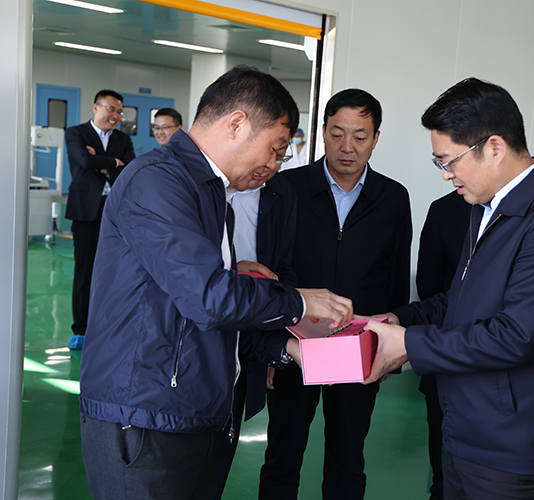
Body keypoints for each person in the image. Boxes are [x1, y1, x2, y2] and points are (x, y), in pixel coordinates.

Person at [78, 65, 353, 500]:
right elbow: (207, 298)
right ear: (237, 123)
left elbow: (193, 301)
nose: (274, 165)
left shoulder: (213, 195)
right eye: (276, 149)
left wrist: (283, 344)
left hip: (198, 411)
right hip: (146, 415)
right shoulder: (158, 180)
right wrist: (300, 302)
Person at [363, 78, 534, 500]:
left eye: (448, 161)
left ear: (494, 148)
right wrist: (402, 318)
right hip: (467, 429)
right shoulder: (488, 207)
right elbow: (466, 301)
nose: (446, 175)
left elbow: (517, 336)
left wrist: (408, 344)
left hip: (515, 449)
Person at [259, 89, 412, 500]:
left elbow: (396, 276)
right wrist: (271, 348)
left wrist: (391, 351)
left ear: (376, 138)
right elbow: (271, 271)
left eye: (360, 136)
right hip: (296, 344)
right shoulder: (286, 187)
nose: (348, 147)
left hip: (359, 348)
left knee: (348, 458)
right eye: (337, 133)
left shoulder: (393, 198)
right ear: (323, 132)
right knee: (282, 457)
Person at [213, 134, 301, 497]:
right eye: (269, 152)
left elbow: (283, 269)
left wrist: (273, 345)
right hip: (196, 347)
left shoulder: (280, 193)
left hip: (248, 338)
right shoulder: (197, 188)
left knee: (222, 447)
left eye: (281, 156)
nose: (271, 165)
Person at [65, 89, 135, 350]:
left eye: (119, 111)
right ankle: (81, 329)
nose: (115, 115)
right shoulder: (76, 133)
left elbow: (130, 169)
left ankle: (107, 326)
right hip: (86, 211)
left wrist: (102, 162)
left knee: (113, 269)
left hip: (115, 210)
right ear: (96, 108)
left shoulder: (123, 139)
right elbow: (83, 160)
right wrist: (114, 162)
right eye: (110, 109)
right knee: (84, 271)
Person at [415, 189, 472, 500]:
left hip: (462, 349)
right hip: (446, 351)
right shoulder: (443, 209)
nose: (448, 173)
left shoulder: (528, 209)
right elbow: (429, 284)